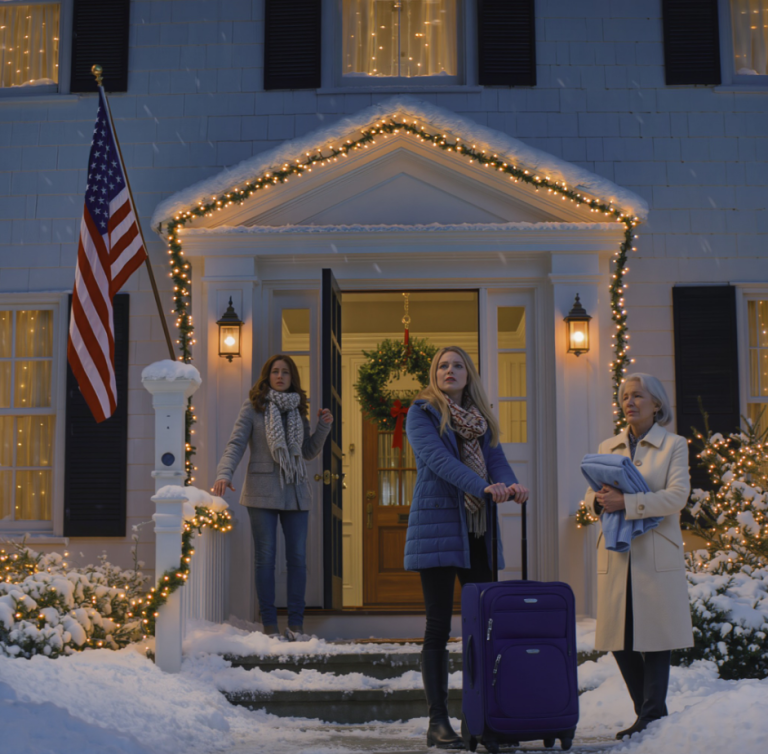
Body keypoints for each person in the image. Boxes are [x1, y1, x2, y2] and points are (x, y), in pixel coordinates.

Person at [405, 346, 529, 749]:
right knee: (438, 625)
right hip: (438, 526)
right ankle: (437, 722)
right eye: (443, 365)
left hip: (479, 530)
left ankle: (484, 718)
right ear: (434, 374)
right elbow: (440, 463)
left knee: (484, 629)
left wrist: (511, 486)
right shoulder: (421, 413)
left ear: (468, 373)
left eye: (457, 365)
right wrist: (483, 487)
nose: (450, 370)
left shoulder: (481, 419)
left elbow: (497, 461)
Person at [584, 373, 693, 740]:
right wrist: (597, 500)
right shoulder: (608, 444)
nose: (629, 402)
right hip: (618, 552)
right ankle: (649, 714)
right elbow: (591, 495)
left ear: (657, 404)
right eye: (625, 396)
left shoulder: (674, 445)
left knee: (656, 636)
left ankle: (650, 715)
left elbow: (677, 497)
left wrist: (627, 503)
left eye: (638, 396)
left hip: (655, 551)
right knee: (619, 637)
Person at [213, 354, 333, 641]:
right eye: (275, 372)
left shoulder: (298, 411)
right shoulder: (253, 408)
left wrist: (324, 428)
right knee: (265, 559)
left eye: (286, 372)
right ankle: (269, 626)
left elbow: (305, 452)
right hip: (261, 492)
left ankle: (296, 626)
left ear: (292, 379)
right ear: (267, 377)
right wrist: (224, 473)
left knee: (298, 559)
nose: (280, 376)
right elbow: (236, 443)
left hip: (295, 492)